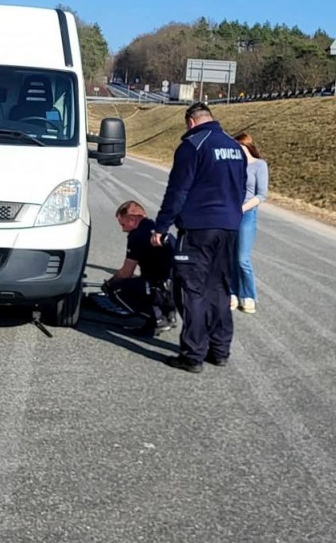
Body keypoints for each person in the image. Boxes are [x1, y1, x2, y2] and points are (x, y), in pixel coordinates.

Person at [151, 102, 246, 373]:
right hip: (228, 228)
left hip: (198, 229)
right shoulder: (234, 147)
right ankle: (219, 350)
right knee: (219, 288)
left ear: (190, 122)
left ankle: (192, 354)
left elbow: (177, 191)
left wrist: (161, 227)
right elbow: (240, 189)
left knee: (191, 291)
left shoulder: (192, 145)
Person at [103, 200, 177, 335]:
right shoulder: (158, 229)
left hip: (159, 289)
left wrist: (110, 283)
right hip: (176, 289)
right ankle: (169, 315)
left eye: (123, 224)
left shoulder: (137, 235)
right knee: (148, 280)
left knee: (115, 289)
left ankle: (157, 320)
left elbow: (126, 272)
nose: (123, 229)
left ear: (132, 219)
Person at [230, 132, 269, 314]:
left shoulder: (259, 165)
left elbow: (261, 195)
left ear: (246, 146)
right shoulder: (232, 166)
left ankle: (249, 295)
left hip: (246, 214)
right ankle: (232, 292)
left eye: (239, 147)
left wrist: (243, 208)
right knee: (229, 255)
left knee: (242, 258)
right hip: (229, 214)